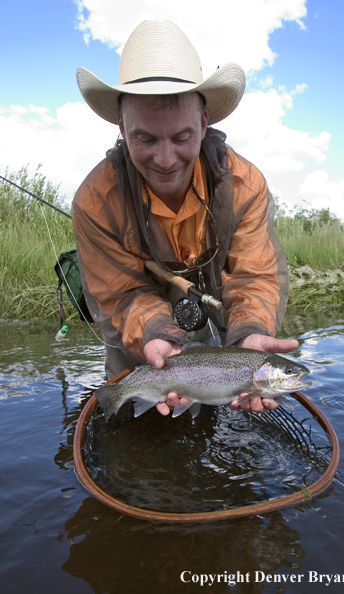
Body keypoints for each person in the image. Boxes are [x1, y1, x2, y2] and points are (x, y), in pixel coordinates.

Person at [73, 20, 298, 416]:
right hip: (143, 348)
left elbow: (253, 278)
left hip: (215, 355)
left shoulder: (245, 185)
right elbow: (122, 296)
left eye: (181, 138)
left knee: (209, 416)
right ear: (121, 127)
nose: (164, 160)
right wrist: (156, 332)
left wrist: (249, 333)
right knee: (131, 424)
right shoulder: (96, 201)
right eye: (144, 138)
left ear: (204, 123)